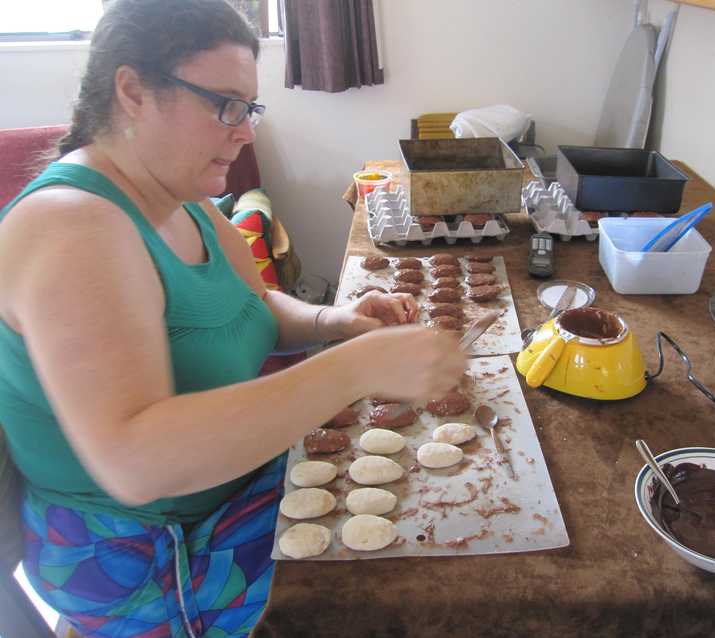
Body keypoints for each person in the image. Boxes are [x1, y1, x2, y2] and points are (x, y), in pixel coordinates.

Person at [0, 0, 466, 636]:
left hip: (228, 488)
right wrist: (356, 367)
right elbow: (135, 462)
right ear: (133, 90)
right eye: (225, 103)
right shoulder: (70, 225)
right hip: (142, 555)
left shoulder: (184, 201)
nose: (245, 130)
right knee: (408, 600)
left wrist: (336, 321)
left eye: (250, 108)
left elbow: (259, 307)